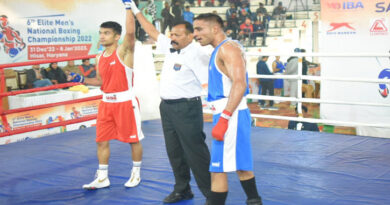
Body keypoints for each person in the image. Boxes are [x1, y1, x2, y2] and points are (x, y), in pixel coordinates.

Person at [126, 1, 211, 203]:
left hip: (187, 108)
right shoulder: (170, 46)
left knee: (196, 153)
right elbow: (151, 30)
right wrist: (135, 10)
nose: (172, 37)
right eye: (171, 34)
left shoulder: (197, 54)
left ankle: (212, 195)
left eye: (177, 35)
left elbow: (208, 83)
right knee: (174, 152)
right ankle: (182, 189)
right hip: (167, 107)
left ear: (190, 36)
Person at [68, 0, 144, 189]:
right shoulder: (98, 56)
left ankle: (136, 173)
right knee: (101, 141)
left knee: (133, 140)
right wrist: (81, 79)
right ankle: (102, 177)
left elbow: (132, 33)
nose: (102, 36)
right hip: (106, 104)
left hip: (125, 102)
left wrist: (128, 8)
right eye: (100, 33)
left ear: (117, 36)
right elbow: (101, 82)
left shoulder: (124, 51)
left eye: (106, 33)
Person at [193, 13, 263, 205]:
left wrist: (224, 118)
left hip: (230, 114)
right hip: (229, 113)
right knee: (239, 166)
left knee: (217, 168)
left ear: (215, 28)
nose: (195, 34)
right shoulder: (220, 50)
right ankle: (254, 200)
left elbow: (240, 85)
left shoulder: (228, 49)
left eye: (199, 29)